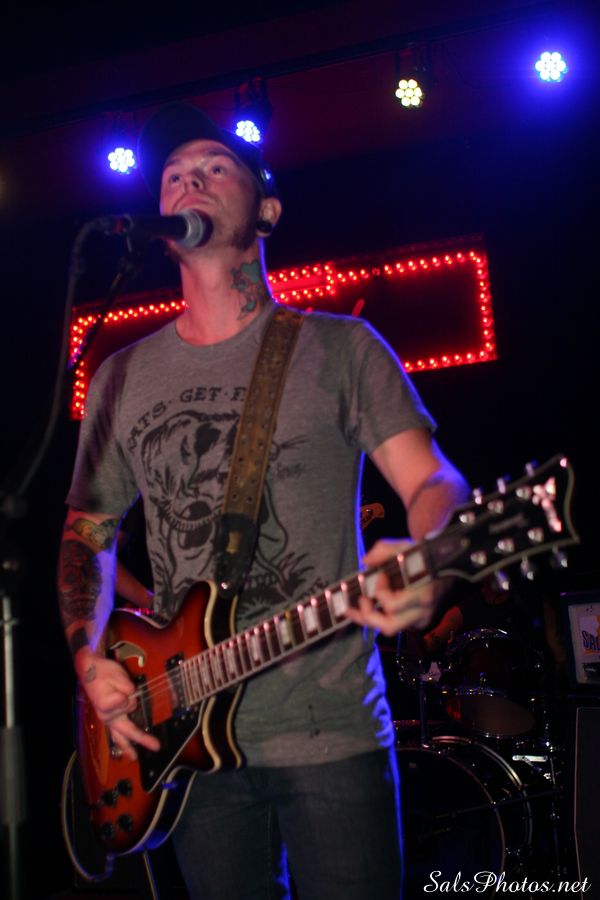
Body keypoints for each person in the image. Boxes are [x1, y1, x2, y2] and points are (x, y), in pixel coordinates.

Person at [57, 102, 469, 899]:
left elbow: (433, 483)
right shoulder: (120, 377)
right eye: (174, 174)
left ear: (267, 209)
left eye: (215, 167)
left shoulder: (339, 348)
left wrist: (431, 555)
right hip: (183, 745)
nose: (190, 179)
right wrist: (90, 659)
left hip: (330, 729)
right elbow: (87, 534)